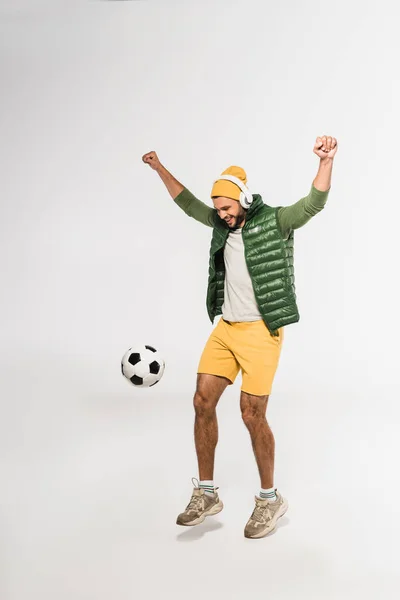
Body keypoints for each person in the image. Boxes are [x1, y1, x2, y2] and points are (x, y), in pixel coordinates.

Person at [142, 136, 337, 539]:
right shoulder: (218, 220)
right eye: (219, 209)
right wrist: (160, 168)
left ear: (245, 200)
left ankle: (270, 499)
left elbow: (312, 204)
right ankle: (207, 493)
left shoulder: (275, 221)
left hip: (262, 332)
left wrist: (325, 162)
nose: (222, 215)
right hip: (226, 330)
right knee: (201, 401)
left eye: (228, 208)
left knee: (252, 414)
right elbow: (188, 203)